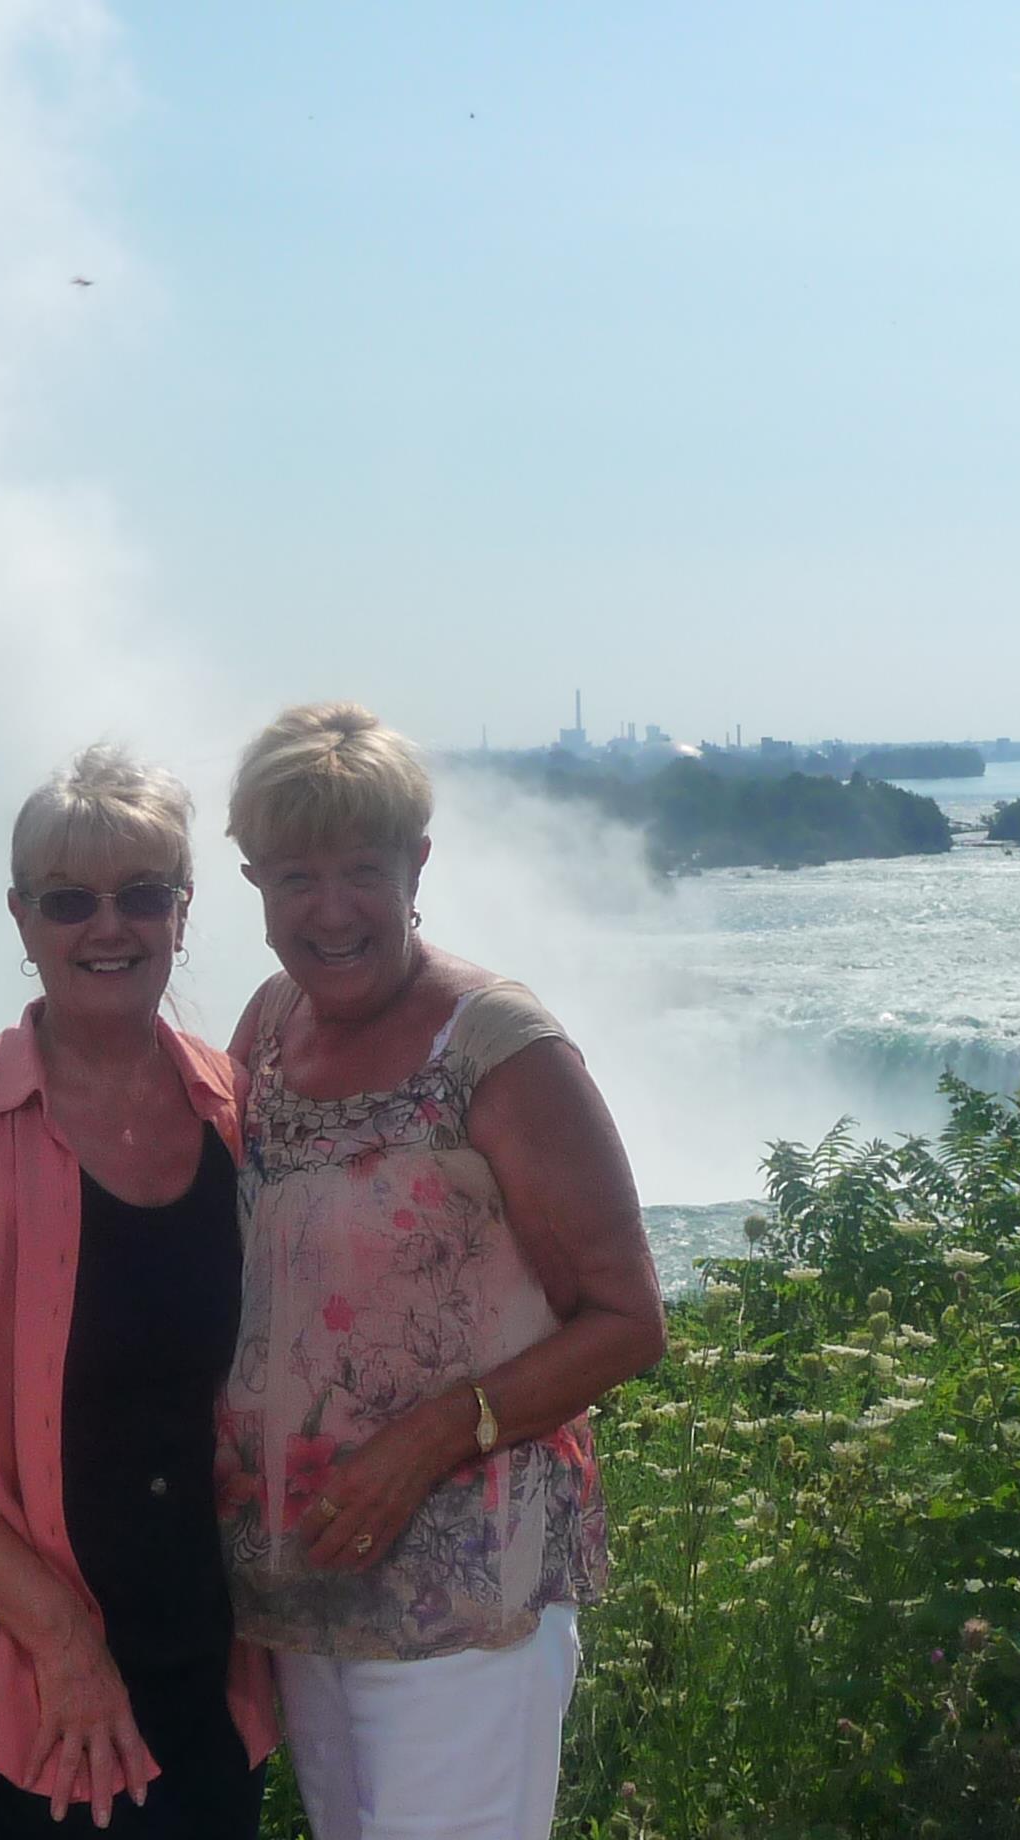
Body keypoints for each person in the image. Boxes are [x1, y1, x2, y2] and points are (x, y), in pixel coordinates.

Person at [216, 702, 668, 1839]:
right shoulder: (269, 1027)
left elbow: (627, 1321)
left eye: (360, 870)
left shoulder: (498, 1051)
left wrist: (425, 1441)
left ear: (417, 864)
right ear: (254, 883)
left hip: (469, 1592)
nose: (328, 911)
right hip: (304, 1579)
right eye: (293, 877)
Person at [0, 746, 273, 1836]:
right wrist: (64, 1642)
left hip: (216, 1649)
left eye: (142, 895)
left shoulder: (238, 1111)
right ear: (21, 918)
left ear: (184, 911)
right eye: (68, 901)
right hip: (38, 1672)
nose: (109, 927)